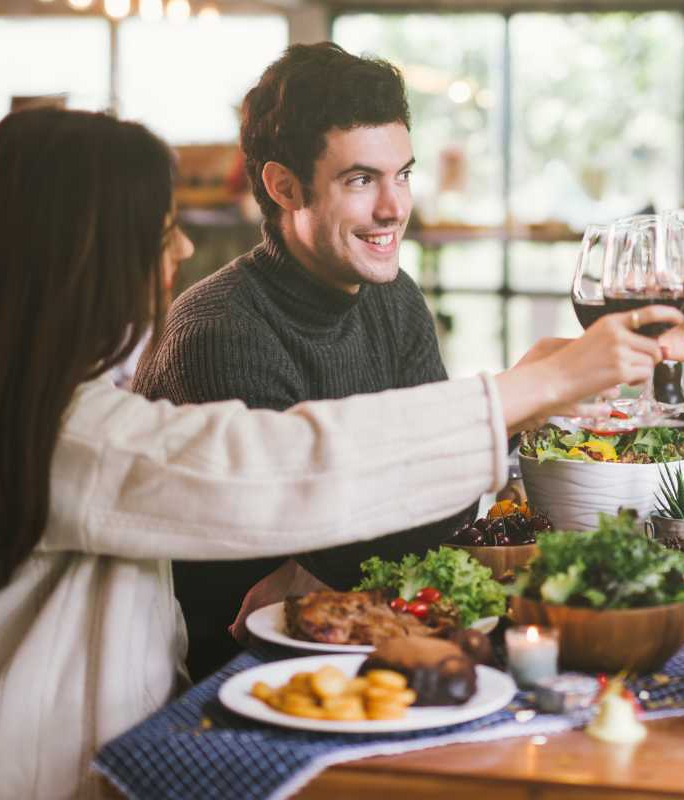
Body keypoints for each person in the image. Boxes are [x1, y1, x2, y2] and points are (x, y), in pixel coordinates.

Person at [0, 107, 682, 800]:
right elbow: (280, 466)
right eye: (161, 230)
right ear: (80, 259)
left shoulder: (20, 402)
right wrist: (531, 388)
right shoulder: (61, 434)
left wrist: (525, 394)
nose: (182, 246)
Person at [133, 42, 486, 679]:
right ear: (284, 187)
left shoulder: (396, 299)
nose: (394, 208)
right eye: (361, 180)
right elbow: (296, 528)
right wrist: (346, 542)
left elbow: (448, 487)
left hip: (359, 640)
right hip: (232, 677)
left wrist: (330, 560)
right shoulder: (219, 329)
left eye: (403, 174)